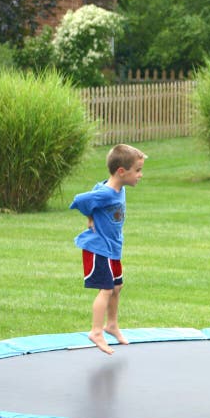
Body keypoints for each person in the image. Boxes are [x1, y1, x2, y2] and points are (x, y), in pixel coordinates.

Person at [70, 144, 146, 354]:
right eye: (138, 170)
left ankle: (111, 325)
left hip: (113, 248)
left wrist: (92, 215)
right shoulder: (106, 193)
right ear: (122, 172)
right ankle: (96, 331)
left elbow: (95, 191)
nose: (140, 175)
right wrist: (89, 217)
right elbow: (80, 200)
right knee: (106, 289)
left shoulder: (116, 188)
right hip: (98, 248)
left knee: (117, 286)